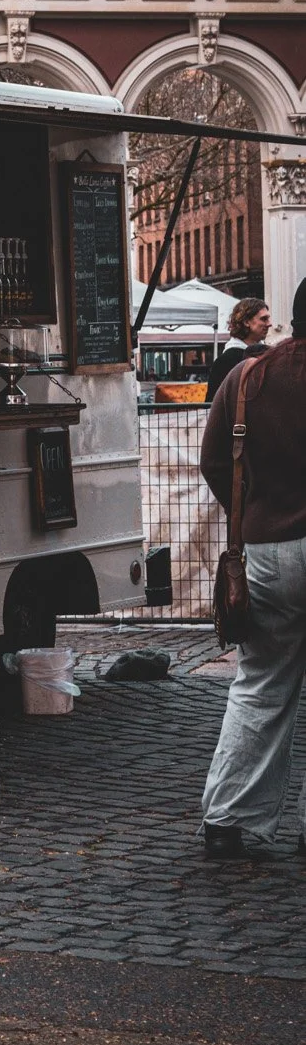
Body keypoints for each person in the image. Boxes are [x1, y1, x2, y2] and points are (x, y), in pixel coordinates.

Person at [198, 280, 306, 859]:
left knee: (260, 685)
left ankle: (229, 820)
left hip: (269, 549)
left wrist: (254, 509)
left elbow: (214, 459)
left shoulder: (249, 377)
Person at [204, 296, 271, 402]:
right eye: (263, 319)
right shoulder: (225, 361)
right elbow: (212, 404)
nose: (269, 324)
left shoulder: (268, 354)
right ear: (246, 322)